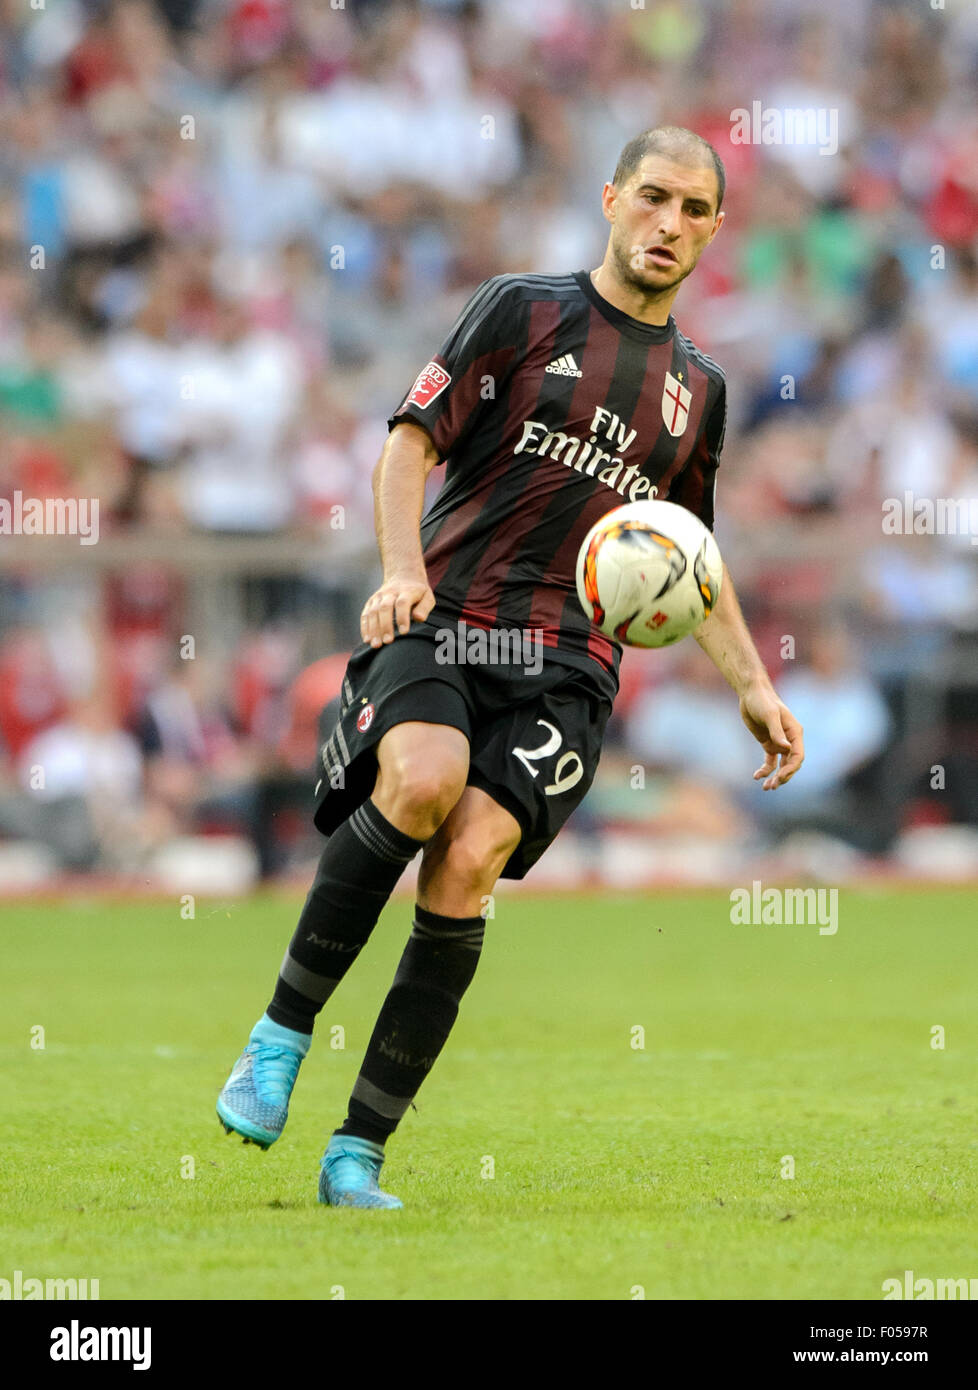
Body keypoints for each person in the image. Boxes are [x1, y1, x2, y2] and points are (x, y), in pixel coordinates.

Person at [216, 126, 805, 1209]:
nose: (670, 225)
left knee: (473, 856)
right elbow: (409, 442)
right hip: (447, 617)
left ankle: (359, 1151)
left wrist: (753, 684)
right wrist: (398, 571)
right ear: (611, 197)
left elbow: (688, 556)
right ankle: (279, 1036)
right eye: (655, 199)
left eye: (694, 210)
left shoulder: (698, 390)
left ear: (717, 230)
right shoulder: (522, 309)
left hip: (569, 666)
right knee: (427, 781)